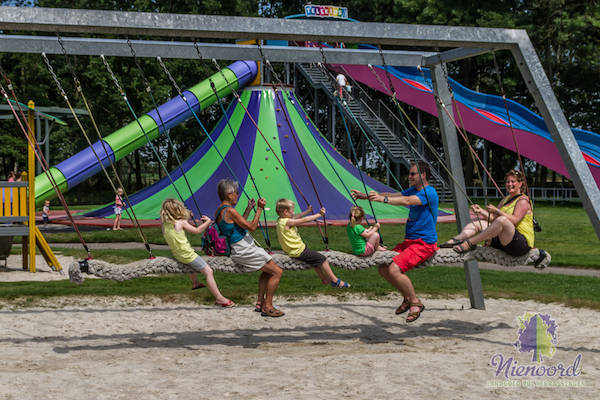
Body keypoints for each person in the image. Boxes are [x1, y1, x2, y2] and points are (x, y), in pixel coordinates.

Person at [351, 161, 439, 323]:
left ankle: (415, 302)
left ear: (423, 175)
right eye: (410, 174)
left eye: (413, 174)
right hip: (410, 242)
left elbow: (407, 202)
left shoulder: (429, 193)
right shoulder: (414, 190)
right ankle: (407, 297)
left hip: (424, 243)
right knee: (383, 268)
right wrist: (367, 196)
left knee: (393, 269)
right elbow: (395, 195)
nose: (410, 177)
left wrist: (381, 200)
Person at [216, 179, 284, 317]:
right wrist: (259, 208)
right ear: (229, 194)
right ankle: (268, 306)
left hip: (240, 247)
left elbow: (237, 225)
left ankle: (260, 303)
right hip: (243, 249)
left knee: (268, 272)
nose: (238, 195)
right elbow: (252, 227)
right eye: (236, 193)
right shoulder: (230, 210)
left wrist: (248, 209)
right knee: (277, 272)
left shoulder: (220, 210)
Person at [440, 169, 534, 257]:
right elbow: (494, 220)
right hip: (506, 239)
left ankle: (469, 243)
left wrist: (497, 211)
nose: (509, 184)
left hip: (520, 244)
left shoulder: (523, 201)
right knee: (478, 223)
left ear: (520, 184)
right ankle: (455, 240)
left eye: (513, 181)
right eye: (507, 182)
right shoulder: (505, 200)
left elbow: (515, 220)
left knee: (502, 219)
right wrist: (481, 211)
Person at [160, 198, 234, 307]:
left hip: (177, 254)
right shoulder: (181, 222)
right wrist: (208, 222)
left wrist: (187, 218)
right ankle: (219, 298)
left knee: (190, 265)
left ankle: (195, 283)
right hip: (188, 255)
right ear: (178, 210)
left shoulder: (164, 225)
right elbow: (197, 230)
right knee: (209, 272)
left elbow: (178, 228)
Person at [276, 198, 350, 288]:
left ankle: (323, 278)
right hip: (298, 251)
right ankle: (335, 281)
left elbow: (297, 217)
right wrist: (319, 214)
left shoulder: (280, 220)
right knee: (322, 259)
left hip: (292, 250)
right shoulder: (288, 222)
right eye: (292, 210)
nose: (294, 212)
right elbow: (304, 220)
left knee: (315, 260)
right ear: (285, 212)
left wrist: (307, 211)